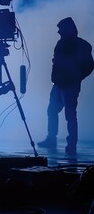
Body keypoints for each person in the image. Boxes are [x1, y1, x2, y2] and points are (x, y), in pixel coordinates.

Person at [38, 17, 93, 157]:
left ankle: (71, 145)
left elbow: (89, 66)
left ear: (67, 29)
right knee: (52, 111)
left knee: (69, 116)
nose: (59, 32)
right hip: (58, 85)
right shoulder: (62, 43)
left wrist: (76, 77)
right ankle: (52, 139)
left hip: (69, 86)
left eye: (61, 29)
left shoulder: (81, 45)